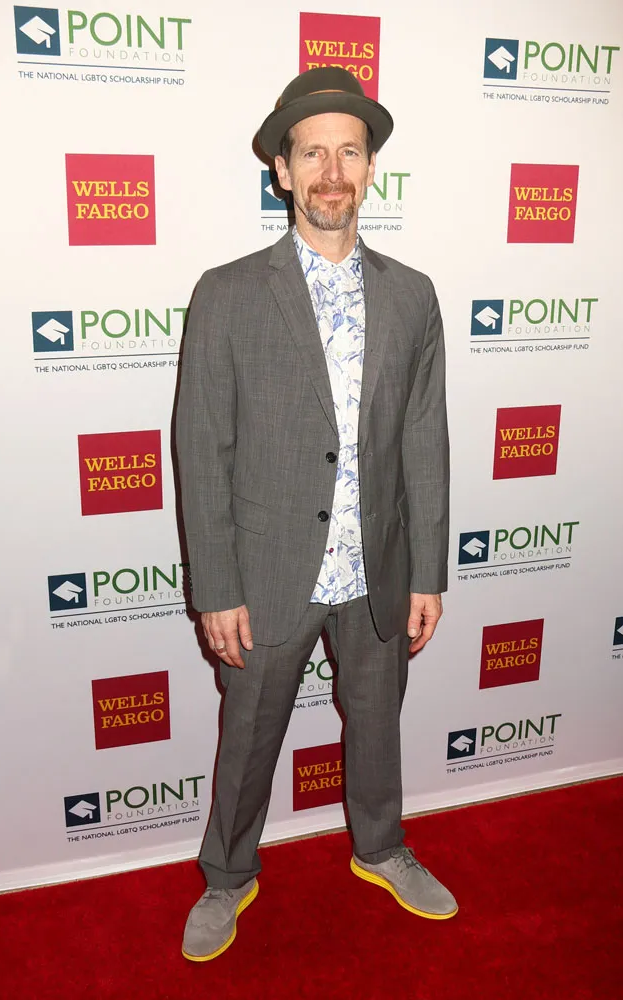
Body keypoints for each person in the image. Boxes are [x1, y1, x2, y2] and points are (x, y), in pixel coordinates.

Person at [176, 66, 455, 963]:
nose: (332, 172)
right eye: (312, 154)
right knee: (248, 736)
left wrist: (428, 573)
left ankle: (381, 847)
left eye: (350, 152)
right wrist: (216, 587)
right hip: (265, 571)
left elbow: (425, 440)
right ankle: (228, 875)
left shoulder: (413, 294)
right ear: (282, 171)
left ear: (370, 168)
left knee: (378, 724)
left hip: (377, 566)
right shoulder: (226, 292)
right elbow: (201, 449)